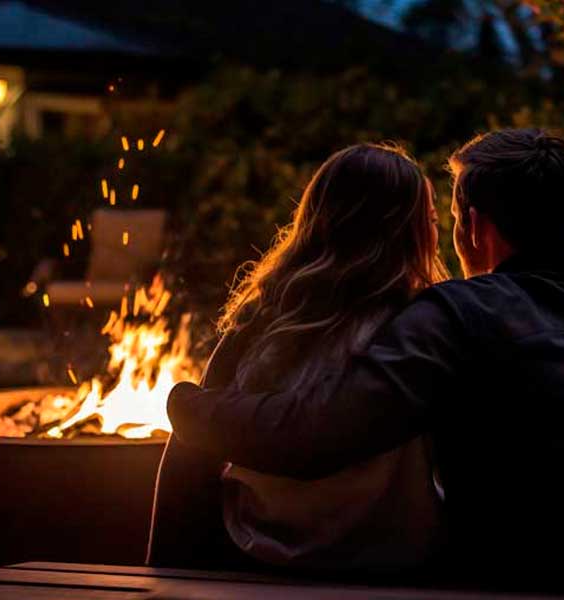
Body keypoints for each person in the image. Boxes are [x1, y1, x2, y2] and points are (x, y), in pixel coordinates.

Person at [167, 129, 564, 588]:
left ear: (473, 226)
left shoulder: (460, 315)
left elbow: (312, 435)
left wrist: (187, 406)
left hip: (537, 579)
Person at [148, 143, 449, 573]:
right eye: (432, 223)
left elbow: (193, 444)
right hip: (392, 558)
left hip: (258, 550)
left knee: (190, 440)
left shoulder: (266, 317)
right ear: (411, 234)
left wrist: (182, 403)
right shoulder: (425, 324)